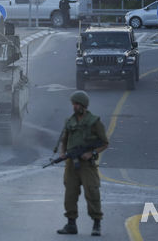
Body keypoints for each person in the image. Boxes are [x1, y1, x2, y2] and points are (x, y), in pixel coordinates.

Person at [57, 90, 109, 237]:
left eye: (76, 104)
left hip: (87, 165)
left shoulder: (94, 122)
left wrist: (91, 153)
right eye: (73, 104)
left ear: (83, 105)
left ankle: (96, 223)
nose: (74, 106)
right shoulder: (70, 121)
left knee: (92, 192)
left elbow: (104, 143)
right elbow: (65, 140)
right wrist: (63, 153)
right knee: (70, 193)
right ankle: (71, 223)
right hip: (71, 165)